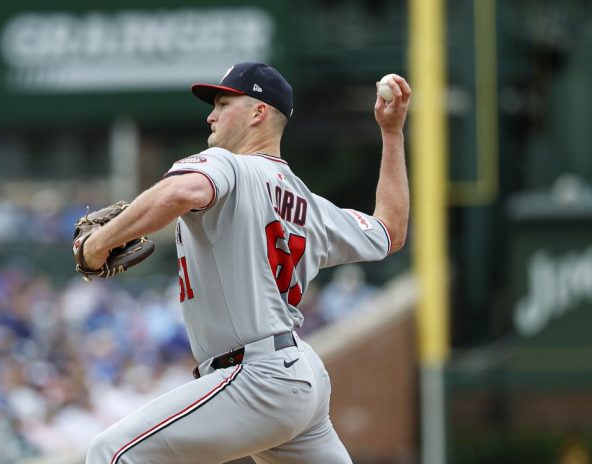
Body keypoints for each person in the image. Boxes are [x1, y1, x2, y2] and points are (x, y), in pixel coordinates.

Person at [80, 62, 410, 464]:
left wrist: (98, 244)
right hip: (299, 377)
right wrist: (392, 134)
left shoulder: (227, 164)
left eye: (223, 104)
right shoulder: (311, 206)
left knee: (111, 452)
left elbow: (180, 192)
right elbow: (390, 230)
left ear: (258, 113)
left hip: (255, 377)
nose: (211, 115)